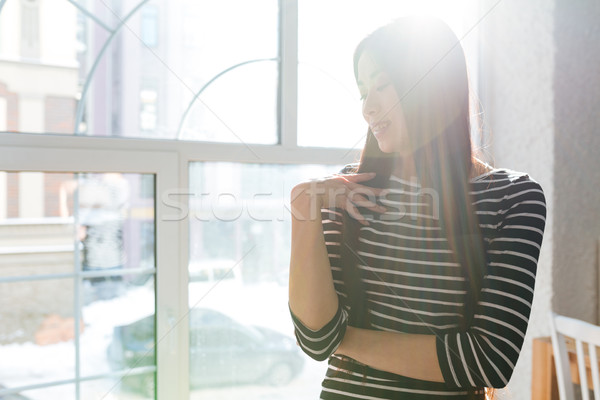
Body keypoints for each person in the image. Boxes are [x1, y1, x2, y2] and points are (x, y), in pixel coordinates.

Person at [288, 16, 547, 400]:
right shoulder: (347, 192)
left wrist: (344, 339)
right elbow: (315, 336)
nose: (367, 108)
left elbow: (488, 360)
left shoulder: (512, 197)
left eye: (382, 85)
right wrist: (303, 208)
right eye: (362, 91)